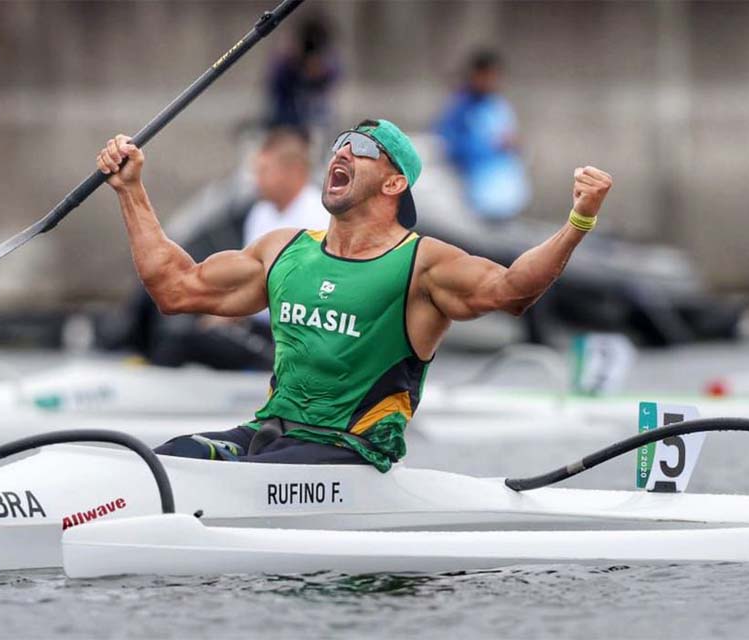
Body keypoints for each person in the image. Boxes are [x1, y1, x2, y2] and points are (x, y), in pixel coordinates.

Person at [96, 119, 611, 471]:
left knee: (224, 475)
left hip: (349, 453)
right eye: (340, 143)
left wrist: (578, 220)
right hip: (268, 436)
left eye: (362, 149)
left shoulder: (423, 264)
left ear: (393, 185)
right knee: (162, 459)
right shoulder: (284, 251)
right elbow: (175, 288)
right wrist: (131, 191)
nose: (342, 152)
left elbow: (512, 290)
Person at [147, 127, 328, 370]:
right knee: (173, 329)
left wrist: (231, 314)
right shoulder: (260, 213)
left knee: (184, 343)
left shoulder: (318, 216)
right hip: (254, 323)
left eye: (264, 171)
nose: (256, 180)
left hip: (291, 337)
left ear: (292, 172)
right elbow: (248, 277)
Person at [435, 49, 531, 221]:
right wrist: (491, 146)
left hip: (507, 192)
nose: (492, 81)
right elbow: (452, 148)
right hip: (479, 189)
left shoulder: (497, 104)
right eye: (488, 76)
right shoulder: (460, 109)